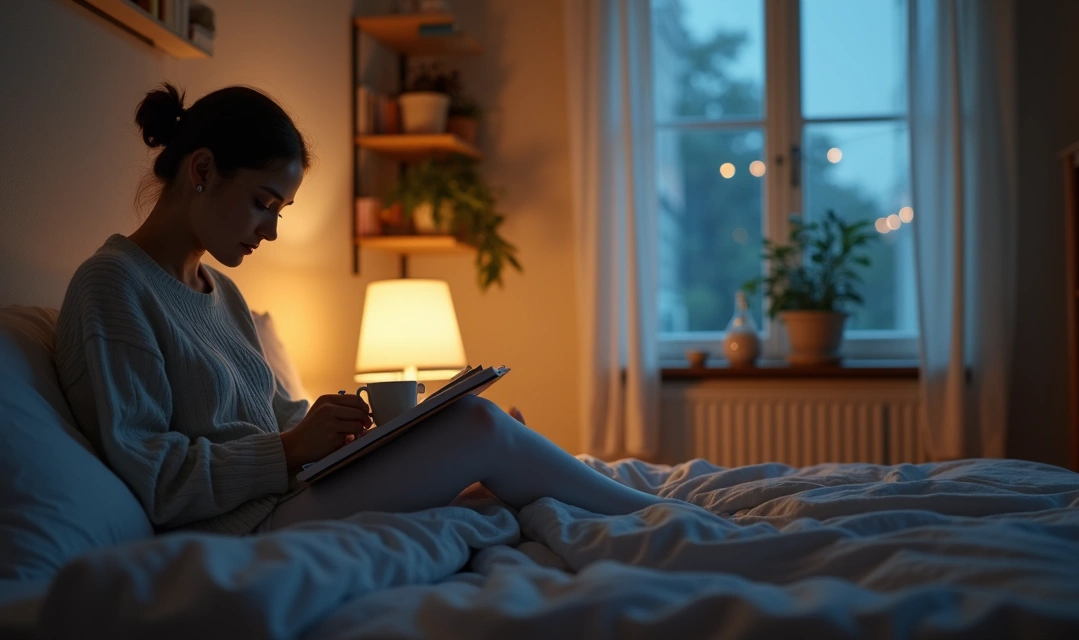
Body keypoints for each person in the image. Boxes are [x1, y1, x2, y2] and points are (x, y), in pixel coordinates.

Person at [55, 83, 667, 535]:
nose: (269, 231)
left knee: (466, 423)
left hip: (290, 493)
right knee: (477, 428)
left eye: (280, 210)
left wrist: (359, 435)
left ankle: (626, 507)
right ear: (204, 170)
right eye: (263, 202)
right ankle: (661, 519)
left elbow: (277, 417)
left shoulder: (221, 292)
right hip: (244, 526)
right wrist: (294, 448)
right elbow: (157, 479)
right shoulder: (113, 288)